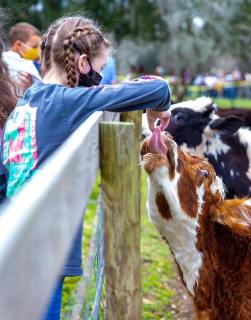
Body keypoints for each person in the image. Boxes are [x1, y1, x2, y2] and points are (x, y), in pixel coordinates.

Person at [0, 16, 171, 319]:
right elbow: (157, 88)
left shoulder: (27, 101)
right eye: (101, 68)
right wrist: (161, 109)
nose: (102, 77)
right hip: (45, 248)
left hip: (17, 237)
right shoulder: (68, 101)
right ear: (82, 64)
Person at [2, 22, 42, 93]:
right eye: (34, 47)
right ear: (18, 45)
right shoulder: (27, 65)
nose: (38, 51)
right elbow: (41, 92)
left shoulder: (3, 59)